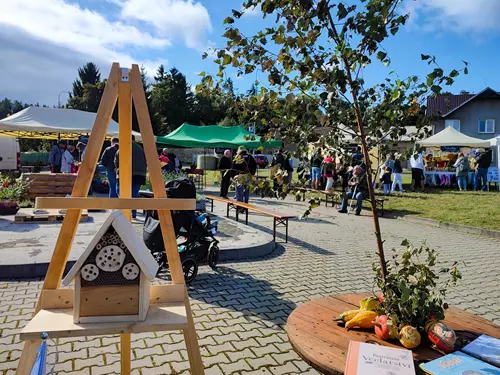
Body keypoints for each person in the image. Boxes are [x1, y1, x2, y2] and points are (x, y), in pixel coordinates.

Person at [115, 135, 147, 218]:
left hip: (125, 174)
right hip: (139, 174)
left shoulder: (123, 147)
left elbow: (116, 161)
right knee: (134, 194)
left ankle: (124, 212)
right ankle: (133, 213)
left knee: (121, 192)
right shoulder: (140, 148)